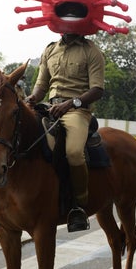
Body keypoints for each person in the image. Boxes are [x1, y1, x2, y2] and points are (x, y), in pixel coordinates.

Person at [26, 33, 105, 232]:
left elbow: (97, 90)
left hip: (77, 111)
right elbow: (41, 85)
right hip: (49, 107)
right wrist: (31, 99)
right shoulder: (50, 49)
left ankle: (79, 205)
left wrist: (71, 103)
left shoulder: (91, 51)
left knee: (74, 153)